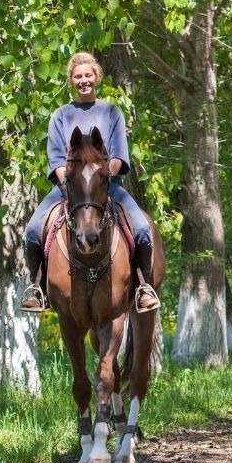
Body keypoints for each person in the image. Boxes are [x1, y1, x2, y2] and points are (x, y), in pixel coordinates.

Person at [20, 51, 160, 314]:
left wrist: (103, 178)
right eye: (77, 76)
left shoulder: (111, 112)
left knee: (141, 228)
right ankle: (37, 287)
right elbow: (56, 158)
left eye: (88, 75)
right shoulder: (60, 116)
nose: (83, 80)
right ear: (71, 80)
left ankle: (143, 287)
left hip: (108, 186)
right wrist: (67, 185)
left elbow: (119, 155)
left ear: (96, 77)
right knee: (32, 230)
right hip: (68, 189)